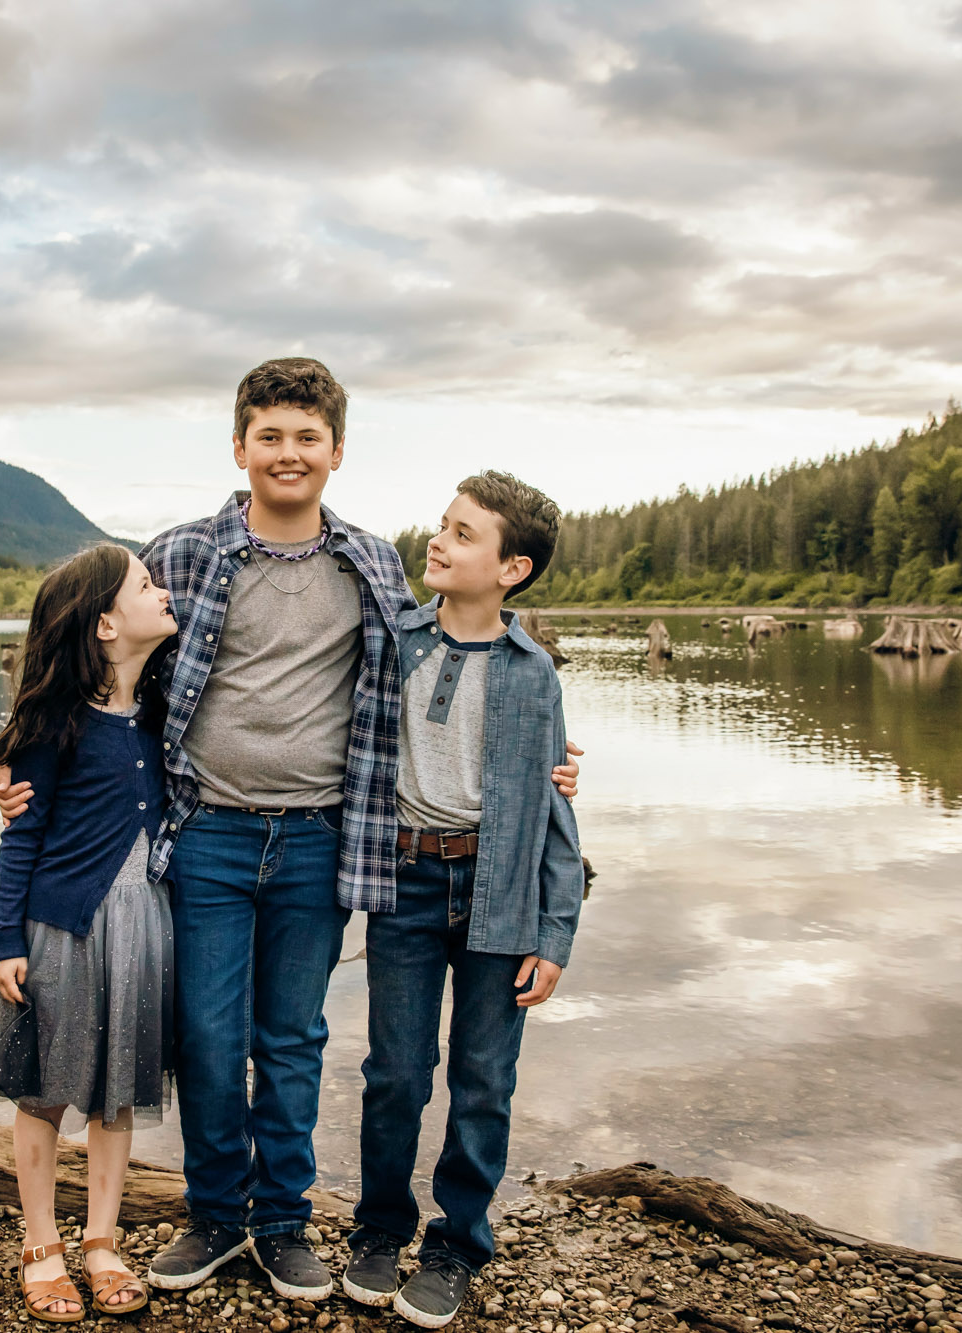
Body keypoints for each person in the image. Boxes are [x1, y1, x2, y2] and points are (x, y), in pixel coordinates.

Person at [0, 359, 581, 1303]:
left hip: (322, 838)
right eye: (270, 434)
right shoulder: (180, 554)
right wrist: (21, 760)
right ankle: (216, 1215)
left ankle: (282, 1223)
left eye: (308, 436)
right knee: (210, 1037)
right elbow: (91, 655)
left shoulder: (373, 562)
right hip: (208, 836)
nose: (289, 452)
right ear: (240, 446)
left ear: (336, 452)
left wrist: (539, 757)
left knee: (295, 1038)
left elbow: (446, 663)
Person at [340, 472, 583, 1329]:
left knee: (484, 1078)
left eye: (463, 534)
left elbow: (553, 812)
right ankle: (377, 1230)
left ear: (511, 568)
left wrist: (554, 933)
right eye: (442, 525)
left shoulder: (533, 673)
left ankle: (456, 1245)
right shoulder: (395, 641)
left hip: (499, 891)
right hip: (403, 882)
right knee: (396, 1073)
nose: (438, 542)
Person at [0, 543, 178, 1323]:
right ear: (102, 624)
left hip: (145, 926)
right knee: (46, 1091)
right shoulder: (52, 723)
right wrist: (5, 940)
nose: (163, 592)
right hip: (62, 929)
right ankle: (39, 1243)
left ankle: (100, 1239)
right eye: (146, 585)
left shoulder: (162, 710)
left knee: (118, 1093)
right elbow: (19, 837)